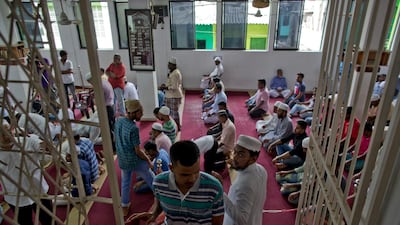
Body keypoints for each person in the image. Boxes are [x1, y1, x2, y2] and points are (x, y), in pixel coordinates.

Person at [150, 140, 224, 225]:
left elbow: (217, 222)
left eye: (196, 172)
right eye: (185, 175)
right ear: (171, 168)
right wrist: (155, 214)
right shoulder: (158, 183)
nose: (192, 179)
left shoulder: (214, 188)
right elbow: (160, 201)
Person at [0, 121, 53, 225]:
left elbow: (45, 148)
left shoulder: (28, 141)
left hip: (38, 190)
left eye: (7, 131)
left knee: (49, 220)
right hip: (15, 196)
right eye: (1, 134)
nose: (7, 136)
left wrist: (44, 142)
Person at [212, 135, 267, 225]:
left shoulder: (246, 183)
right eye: (235, 152)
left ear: (253, 158)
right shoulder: (261, 170)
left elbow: (242, 220)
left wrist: (220, 192)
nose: (235, 157)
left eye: (241, 154)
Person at [114, 99, 154, 216]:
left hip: (122, 158)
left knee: (125, 182)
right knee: (150, 175)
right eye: (140, 112)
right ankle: (161, 196)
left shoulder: (119, 121)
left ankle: (125, 205)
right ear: (134, 112)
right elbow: (137, 150)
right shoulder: (133, 128)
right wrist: (148, 160)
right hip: (133, 159)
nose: (141, 115)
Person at [275, 137, 310, 205]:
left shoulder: (319, 164)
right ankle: (290, 187)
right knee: (278, 176)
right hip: (299, 177)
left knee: (289, 196)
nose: (303, 151)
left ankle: (294, 188)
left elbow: (311, 182)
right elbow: (302, 168)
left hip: (305, 185)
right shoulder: (310, 156)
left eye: (305, 149)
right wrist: (286, 172)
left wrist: (294, 186)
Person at [85, 72, 115, 148]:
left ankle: (112, 146)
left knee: (108, 128)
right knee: (111, 127)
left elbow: (99, 101)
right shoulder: (104, 81)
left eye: (90, 82)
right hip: (110, 106)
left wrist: (94, 97)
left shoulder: (100, 86)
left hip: (106, 108)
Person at [162, 57, 183, 131]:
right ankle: (174, 126)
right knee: (171, 113)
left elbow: (174, 87)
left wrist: (165, 88)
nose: (168, 65)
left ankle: (177, 127)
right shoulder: (173, 72)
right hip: (170, 95)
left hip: (173, 96)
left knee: (174, 113)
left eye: (169, 64)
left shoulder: (175, 74)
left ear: (173, 65)